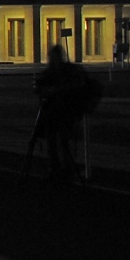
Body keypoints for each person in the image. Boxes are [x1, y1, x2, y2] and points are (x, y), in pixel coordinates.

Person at [34, 44, 87, 181]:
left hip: (63, 111)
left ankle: (64, 168)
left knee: (62, 141)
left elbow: (76, 85)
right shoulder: (55, 71)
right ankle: (56, 167)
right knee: (54, 141)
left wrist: (56, 90)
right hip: (53, 112)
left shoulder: (65, 72)